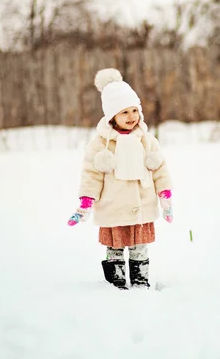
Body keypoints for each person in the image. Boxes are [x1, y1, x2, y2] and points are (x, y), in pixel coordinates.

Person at [67, 68, 174, 290]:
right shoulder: (99, 144)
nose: (131, 116)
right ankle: (115, 285)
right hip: (113, 207)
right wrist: (86, 202)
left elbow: (160, 169)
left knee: (139, 246)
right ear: (112, 116)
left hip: (141, 206)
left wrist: (165, 195)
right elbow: (91, 174)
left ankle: (140, 282)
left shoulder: (147, 141)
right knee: (115, 246)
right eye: (124, 112)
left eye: (135, 110)